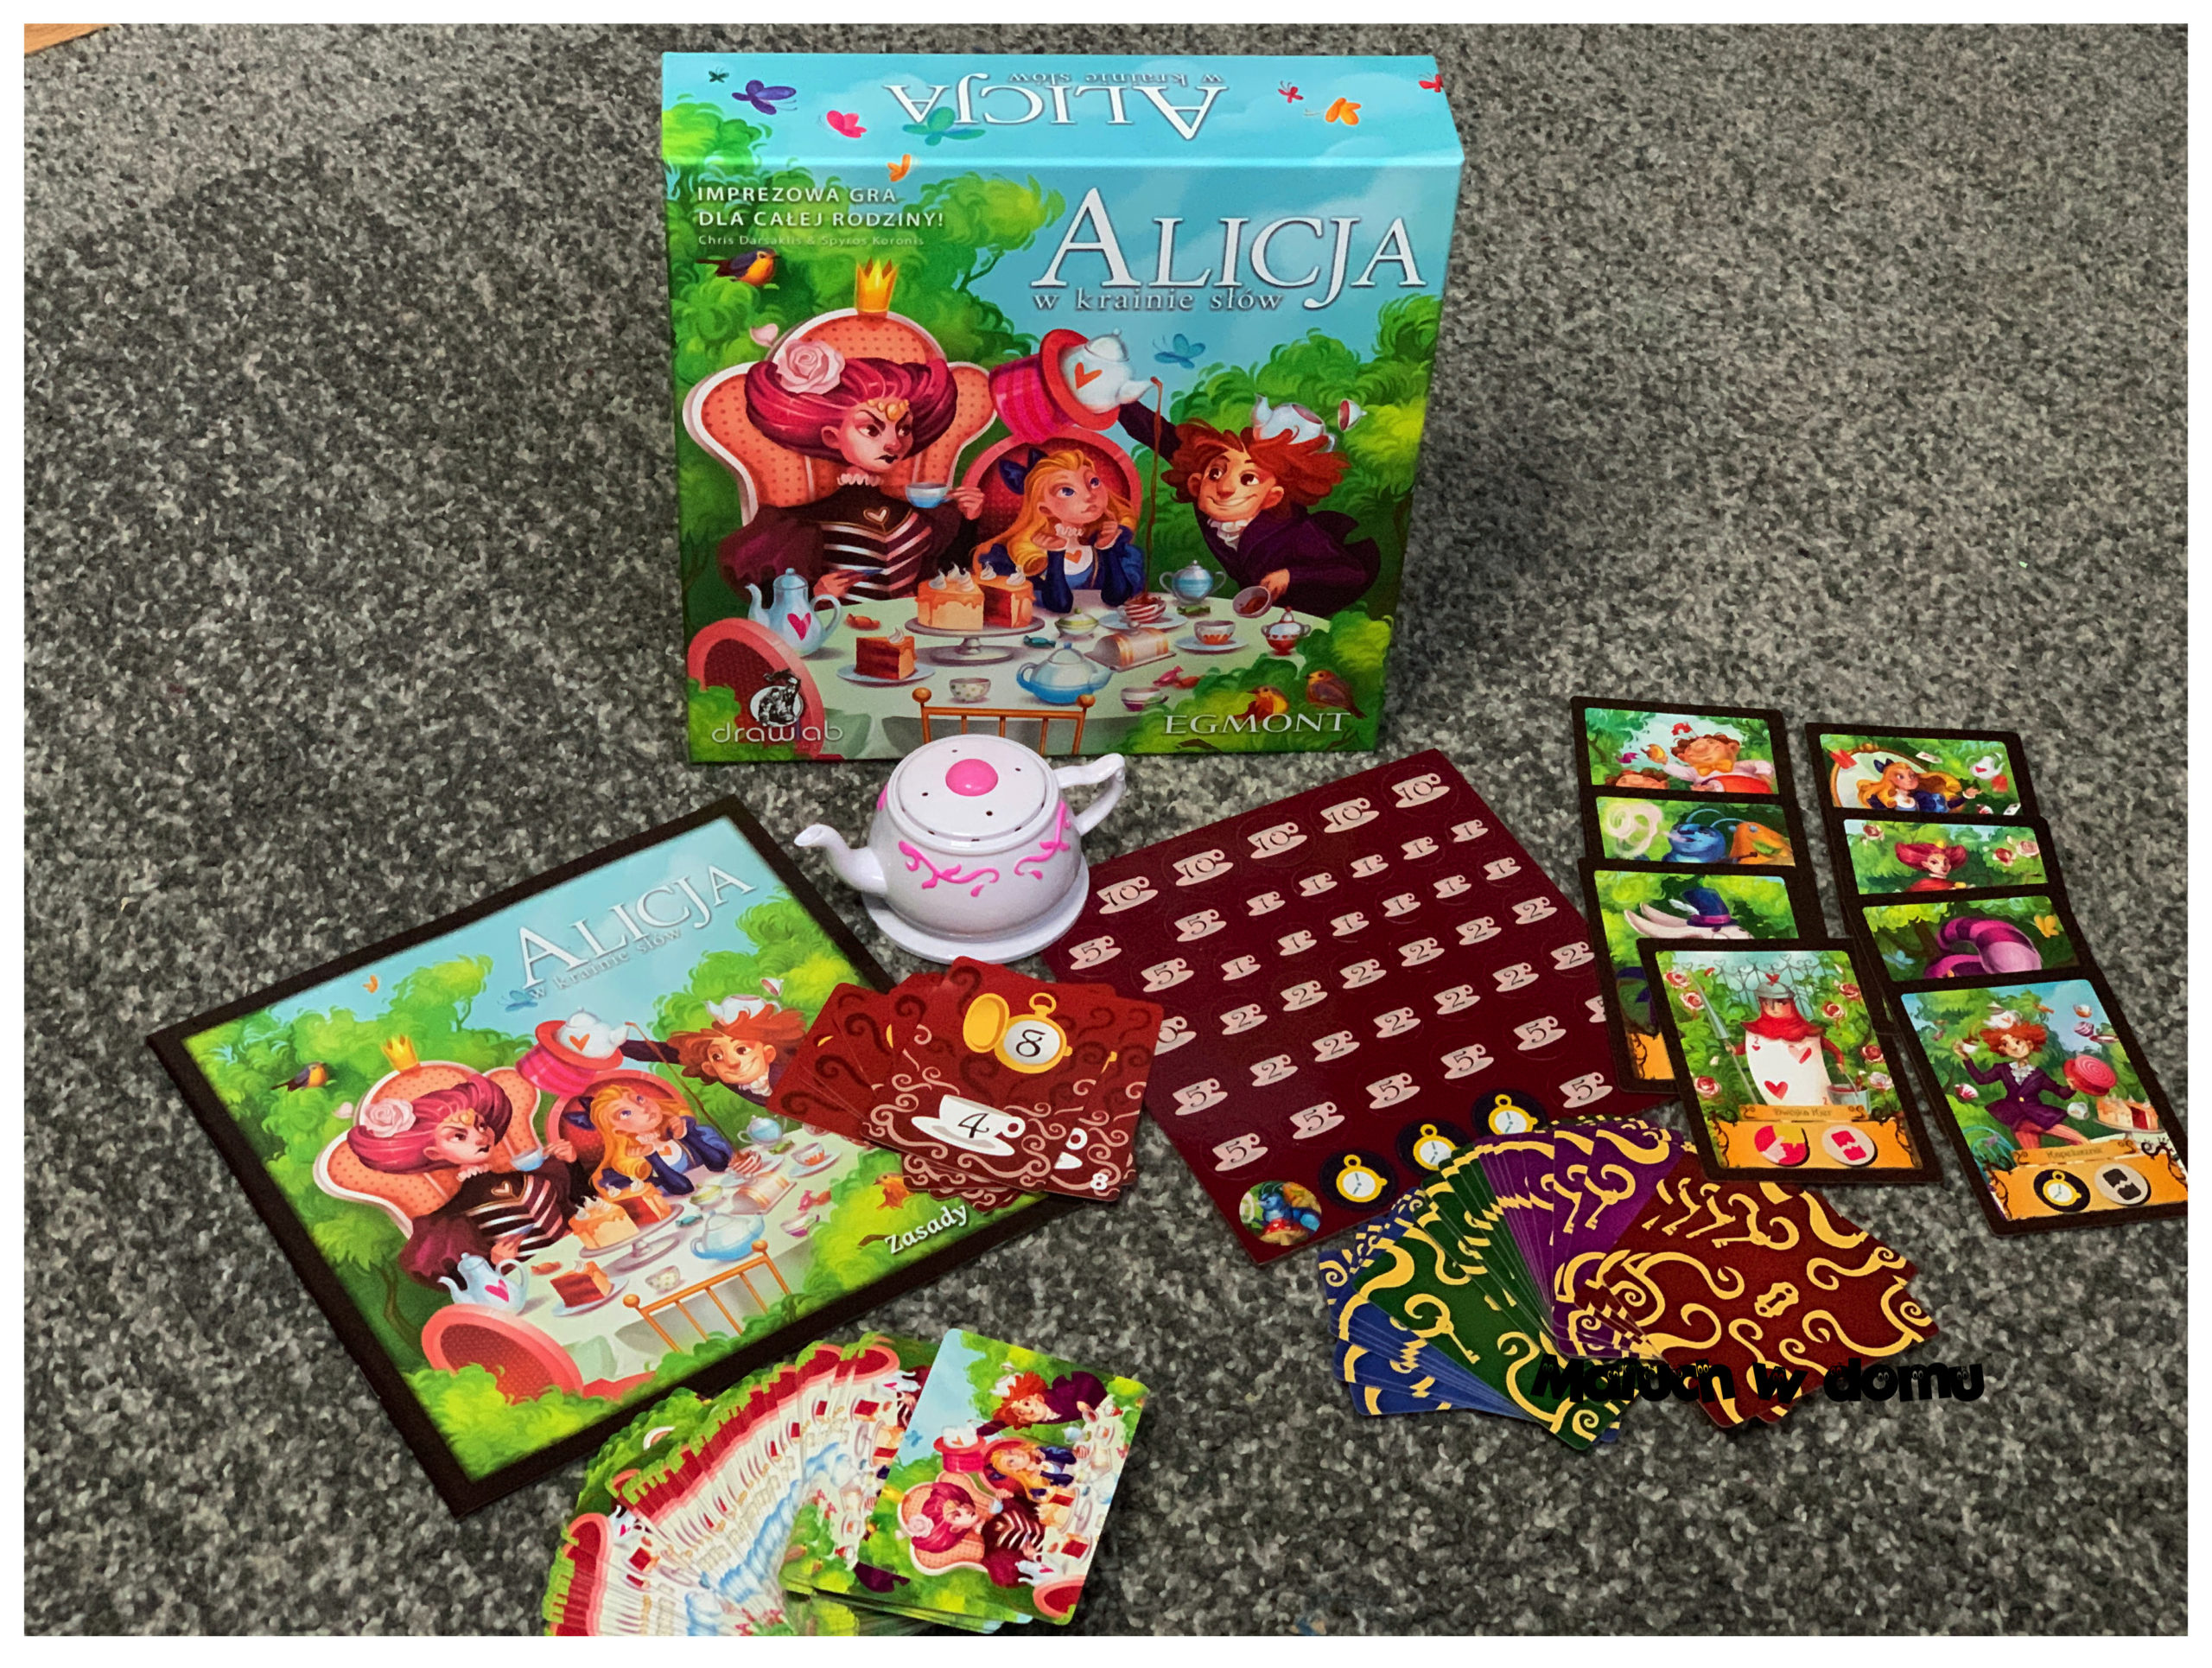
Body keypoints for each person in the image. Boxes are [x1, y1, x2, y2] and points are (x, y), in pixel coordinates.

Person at [718, 336, 983, 603]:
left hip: (915, 626)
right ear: (832, 437)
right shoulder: (802, 524)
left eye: (904, 429)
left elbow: (951, 576)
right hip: (837, 628)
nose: (894, 443)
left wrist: (969, 521)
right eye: (871, 430)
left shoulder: (924, 519)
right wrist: (813, 593)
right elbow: (760, 596)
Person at [1115, 396, 1378, 618]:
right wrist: (1118, 401)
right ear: (1197, 482)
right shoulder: (1208, 492)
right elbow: (1164, 436)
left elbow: (1353, 572)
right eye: (1216, 473)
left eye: (1248, 479)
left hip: (1304, 611)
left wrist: (1290, 575)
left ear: (1273, 496)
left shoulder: (1297, 531)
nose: (1225, 488)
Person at [343, 1073, 578, 1289]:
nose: (480, 1138)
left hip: (582, 1261)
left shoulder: (537, 1177)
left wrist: (572, 1164)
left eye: (481, 1126)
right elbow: (453, 1280)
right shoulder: (453, 1218)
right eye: (459, 1136)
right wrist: (493, 1261)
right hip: (532, 1288)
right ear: (434, 1153)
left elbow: (578, 1202)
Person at [974, 447, 1146, 614]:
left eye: (1093, 482)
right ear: (1045, 509)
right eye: (1067, 491)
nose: (1089, 495)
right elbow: (1059, 606)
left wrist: (1107, 549)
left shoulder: (1115, 548)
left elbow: (1117, 598)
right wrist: (1055, 554)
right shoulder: (1021, 557)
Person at [582, 1079, 732, 1200]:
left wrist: (687, 1135)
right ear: (619, 1131)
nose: (643, 1108)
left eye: (639, 1099)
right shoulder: (633, 1162)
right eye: (626, 1113)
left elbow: (720, 1163)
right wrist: (652, 1157)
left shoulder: (685, 1128)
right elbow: (683, 1189)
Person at [1954, 1019, 2088, 1149]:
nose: (2014, 1047)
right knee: (2034, 1157)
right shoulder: (2002, 1069)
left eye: (2017, 1042)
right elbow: (1981, 1079)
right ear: (2002, 1049)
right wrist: (1966, 1058)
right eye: (2006, 1044)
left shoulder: (2038, 1074)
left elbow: (2060, 1092)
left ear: (2029, 1044)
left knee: (2080, 1140)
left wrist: (2072, 1087)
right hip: (2017, 1119)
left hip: (2040, 1117)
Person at [1895, 842, 1970, 892]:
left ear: (1949, 866)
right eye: (1934, 862)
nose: (1942, 866)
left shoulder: (1952, 884)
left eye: (1945, 862)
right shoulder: (1923, 885)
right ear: (1926, 865)